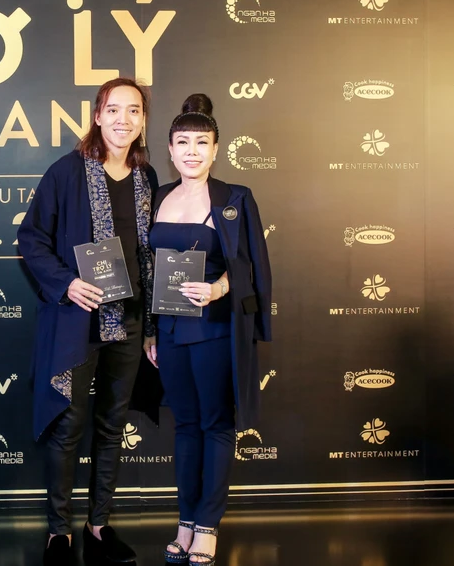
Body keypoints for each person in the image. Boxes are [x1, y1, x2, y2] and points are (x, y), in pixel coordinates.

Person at [18, 77, 160, 566]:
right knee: (69, 425)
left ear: (143, 120)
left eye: (134, 110)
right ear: (98, 116)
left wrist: (154, 327)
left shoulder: (146, 177)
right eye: (113, 109)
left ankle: (99, 525)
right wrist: (66, 284)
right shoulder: (66, 171)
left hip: (131, 319)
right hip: (78, 318)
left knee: (112, 424)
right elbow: (31, 238)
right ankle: (59, 532)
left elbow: (152, 253)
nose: (124, 119)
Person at [145, 94, 272, 566]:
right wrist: (151, 332)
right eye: (183, 142)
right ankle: (185, 521)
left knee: (216, 425)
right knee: (185, 426)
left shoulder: (236, 198)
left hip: (215, 329)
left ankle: (207, 526)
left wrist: (219, 288)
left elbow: (253, 266)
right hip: (170, 330)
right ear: (170, 150)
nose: (192, 151)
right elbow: (148, 267)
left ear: (216, 149)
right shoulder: (159, 197)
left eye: (202, 143)